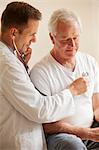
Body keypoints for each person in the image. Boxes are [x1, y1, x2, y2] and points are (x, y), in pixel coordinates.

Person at [0, 2, 88, 150]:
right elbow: (40, 110)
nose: (34, 40)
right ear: (14, 33)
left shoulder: (11, 60)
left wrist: (22, 65)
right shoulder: (7, 64)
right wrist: (72, 91)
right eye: (32, 34)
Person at [30, 9, 99, 150]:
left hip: (91, 128)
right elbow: (46, 125)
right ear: (52, 38)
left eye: (75, 37)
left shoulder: (89, 61)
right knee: (72, 146)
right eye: (65, 39)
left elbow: (96, 105)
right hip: (61, 135)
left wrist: (92, 129)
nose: (72, 44)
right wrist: (85, 133)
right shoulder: (40, 72)